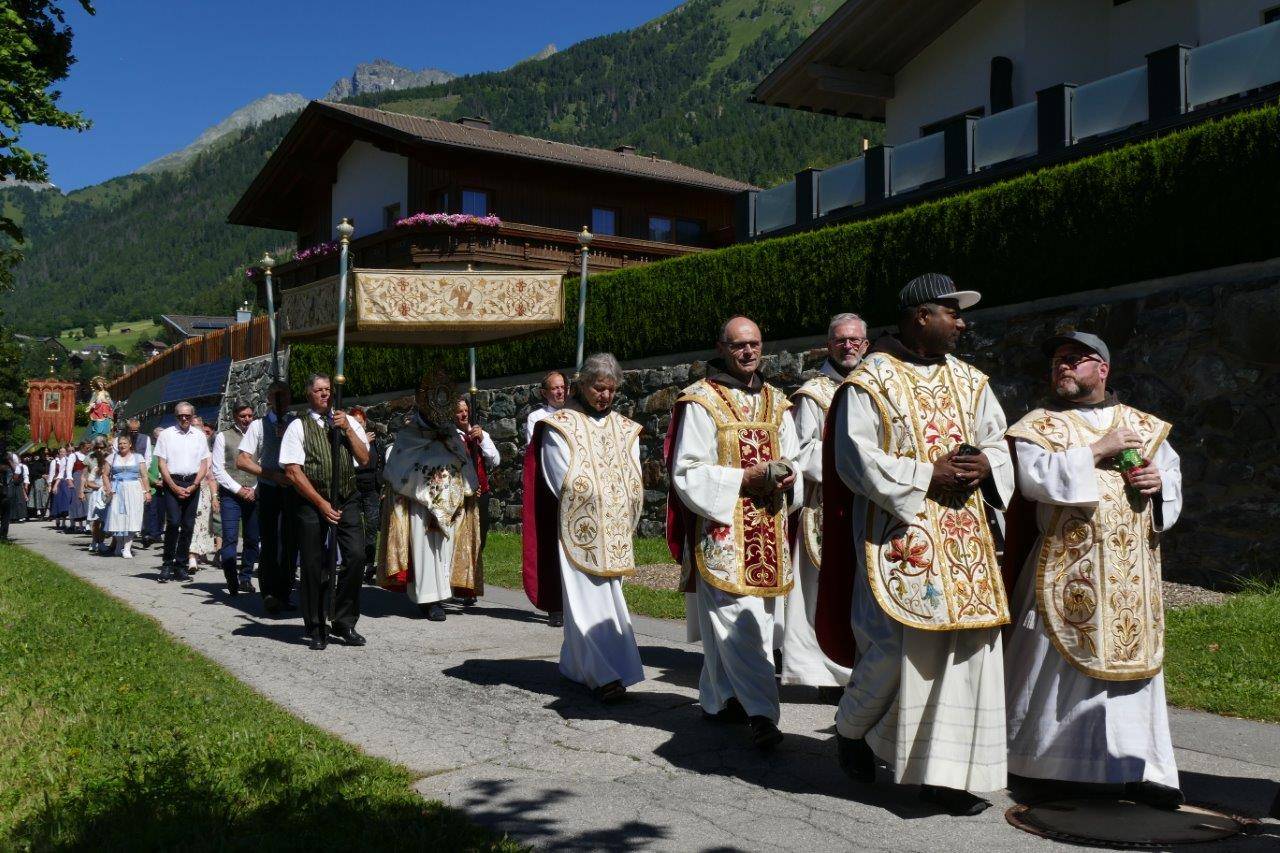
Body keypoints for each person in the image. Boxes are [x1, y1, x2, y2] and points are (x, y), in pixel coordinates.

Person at [817, 273, 1013, 816]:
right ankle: (851, 730)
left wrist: (987, 464)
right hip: (901, 542)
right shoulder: (870, 382)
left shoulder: (973, 381)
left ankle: (946, 778)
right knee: (893, 658)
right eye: (953, 311)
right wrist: (928, 473)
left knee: (968, 659)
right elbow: (854, 460)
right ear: (922, 316)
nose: (962, 321)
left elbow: (998, 441)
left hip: (967, 543)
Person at [1004, 332, 1185, 809]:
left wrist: (1157, 484)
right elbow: (1033, 482)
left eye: (1074, 360)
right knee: (1053, 668)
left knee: (1133, 674)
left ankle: (1140, 768)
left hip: (1131, 574)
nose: (1062, 368)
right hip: (1065, 567)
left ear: (1102, 368)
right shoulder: (1039, 425)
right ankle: (1041, 764)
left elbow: (1172, 484)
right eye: (1057, 361)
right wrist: (1097, 450)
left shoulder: (1147, 426)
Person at [667, 315, 802, 750]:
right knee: (738, 626)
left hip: (768, 528)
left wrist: (787, 476)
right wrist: (744, 478)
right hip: (725, 530)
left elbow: (796, 458)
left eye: (755, 344)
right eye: (739, 345)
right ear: (722, 348)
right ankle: (763, 713)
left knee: (751, 625)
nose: (748, 352)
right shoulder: (702, 401)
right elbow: (687, 471)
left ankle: (719, 697)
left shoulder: (777, 402)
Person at [524, 353, 646, 703]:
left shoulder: (626, 428)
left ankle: (576, 665)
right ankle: (603, 675)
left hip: (616, 527)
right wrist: (597, 500)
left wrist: (621, 505)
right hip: (580, 525)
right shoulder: (561, 425)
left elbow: (633, 474)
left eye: (611, 389)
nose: (605, 396)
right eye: (598, 388)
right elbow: (560, 476)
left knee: (609, 597)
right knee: (583, 599)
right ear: (582, 384)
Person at [783, 312, 868, 702]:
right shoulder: (813, 393)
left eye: (855, 340)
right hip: (825, 504)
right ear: (828, 345)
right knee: (822, 588)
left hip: (869, 501)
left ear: (865, 344)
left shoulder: (876, 385)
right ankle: (824, 671)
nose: (848, 346)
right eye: (840, 340)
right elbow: (800, 451)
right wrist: (854, 459)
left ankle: (863, 665)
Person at [379, 371, 483, 622]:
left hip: (449, 505)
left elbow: (463, 462)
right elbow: (397, 468)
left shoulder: (450, 434)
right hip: (419, 504)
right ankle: (428, 599)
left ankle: (442, 594)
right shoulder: (409, 434)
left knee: (444, 551)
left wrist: (469, 484)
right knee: (425, 551)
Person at [281, 373, 370, 651]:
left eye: (328, 390)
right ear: (309, 394)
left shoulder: (346, 421)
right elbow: (293, 471)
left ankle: (344, 620)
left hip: (347, 497)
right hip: (312, 502)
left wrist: (348, 430)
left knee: (356, 556)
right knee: (314, 564)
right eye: (319, 390)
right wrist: (320, 503)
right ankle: (317, 625)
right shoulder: (298, 426)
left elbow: (364, 459)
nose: (325, 395)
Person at [237, 381, 298, 614]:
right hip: (270, 488)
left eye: (284, 396)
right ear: (269, 399)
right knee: (271, 542)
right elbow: (242, 460)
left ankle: (286, 591)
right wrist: (271, 474)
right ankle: (270, 593)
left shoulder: (297, 423)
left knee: (290, 542)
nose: (281, 400)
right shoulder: (258, 426)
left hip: (293, 488)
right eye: (276, 396)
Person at [154, 402, 212, 582]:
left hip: (193, 482)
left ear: (193, 416)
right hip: (173, 482)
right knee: (173, 523)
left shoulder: (200, 436)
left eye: (188, 416)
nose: (184, 419)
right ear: (176, 416)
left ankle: (180, 566)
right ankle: (167, 564)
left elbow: (204, 463)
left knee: (188, 526)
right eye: (181, 416)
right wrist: (172, 485)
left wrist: (195, 484)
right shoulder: (166, 435)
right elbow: (161, 463)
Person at [212, 402, 260, 597]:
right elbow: (218, 469)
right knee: (230, 538)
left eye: (249, 415)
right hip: (231, 495)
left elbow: (264, 462)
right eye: (243, 416)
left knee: (252, 538)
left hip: (255, 493)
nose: (247, 419)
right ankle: (231, 576)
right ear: (234, 416)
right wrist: (239, 489)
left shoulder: (258, 435)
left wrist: (255, 489)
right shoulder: (223, 437)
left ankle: (246, 577)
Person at [454, 397, 498, 600]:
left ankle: (471, 582)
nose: (464, 414)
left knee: (480, 538)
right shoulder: (451, 437)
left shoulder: (479, 433)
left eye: (466, 410)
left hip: (482, 493)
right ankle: (458, 584)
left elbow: (495, 459)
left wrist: (482, 439)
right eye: (459, 411)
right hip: (460, 496)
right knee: (460, 540)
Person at [349, 407, 384, 584]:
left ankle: (369, 566)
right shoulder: (349, 439)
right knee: (354, 527)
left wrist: (382, 487)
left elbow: (381, 461)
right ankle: (353, 565)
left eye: (360, 422)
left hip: (372, 488)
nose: (359, 425)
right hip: (354, 485)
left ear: (365, 422)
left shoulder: (375, 439)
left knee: (371, 527)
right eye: (354, 422)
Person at [103, 432, 150, 558]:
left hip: (133, 489)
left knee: (132, 517)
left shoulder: (138, 457)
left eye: (124, 443)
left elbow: (144, 476)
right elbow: (105, 475)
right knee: (117, 517)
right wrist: (108, 488)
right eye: (120, 444)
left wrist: (147, 491)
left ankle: (128, 547)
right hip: (117, 489)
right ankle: (119, 545)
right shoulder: (112, 457)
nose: (122, 445)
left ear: (130, 445)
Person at [80, 438, 111, 553]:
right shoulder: (90, 458)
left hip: (107, 493)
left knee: (104, 519)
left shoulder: (110, 457)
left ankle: (101, 541)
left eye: (101, 447)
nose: (99, 450)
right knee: (95, 519)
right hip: (94, 492)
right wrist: (81, 490)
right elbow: (85, 476)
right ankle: (95, 540)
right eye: (97, 447)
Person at [524, 370, 568, 443]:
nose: (560, 391)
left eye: (563, 387)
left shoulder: (577, 412)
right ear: (544, 393)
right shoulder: (536, 418)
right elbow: (534, 449)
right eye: (555, 388)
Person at [67, 441, 90, 534]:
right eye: (86, 448)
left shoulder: (89, 456)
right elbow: (69, 469)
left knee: (88, 500)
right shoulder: (74, 455)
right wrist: (69, 480)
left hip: (88, 478)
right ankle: (79, 525)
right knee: (78, 501)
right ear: (81, 447)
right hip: (77, 477)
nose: (88, 449)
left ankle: (88, 525)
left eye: (89, 448)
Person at [49, 446, 70, 529]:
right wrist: (50, 485)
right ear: (58, 452)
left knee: (64, 502)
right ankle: (57, 519)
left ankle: (64, 521)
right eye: (61, 452)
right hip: (57, 482)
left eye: (64, 452)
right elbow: (51, 474)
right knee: (57, 501)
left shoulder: (68, 460)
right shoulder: (54, 462)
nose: (63, 453)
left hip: (65, 483)